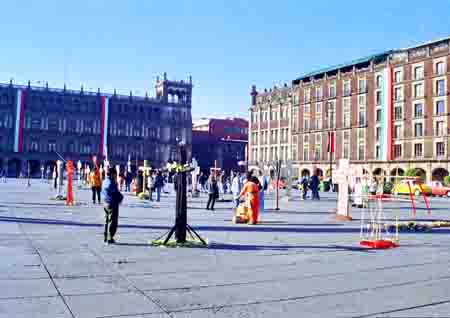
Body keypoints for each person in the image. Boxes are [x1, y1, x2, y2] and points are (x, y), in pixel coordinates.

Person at [102, 168, 123, 244]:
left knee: (107, 220)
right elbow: (115, 193)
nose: (116, 176)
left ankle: (106, 237)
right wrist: (120, 197)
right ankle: (109, 238)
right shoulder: (111, 183)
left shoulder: (105, 181)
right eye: (115, 174)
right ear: (112, 174)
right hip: (112, 203)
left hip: (106, 202)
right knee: (112, 221)